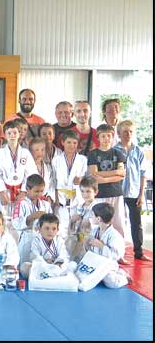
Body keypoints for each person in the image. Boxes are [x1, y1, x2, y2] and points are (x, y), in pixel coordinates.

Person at [87, 124, 127, 257]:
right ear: (98, 137)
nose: (106, 139)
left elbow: (122, 174)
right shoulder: (93, 154)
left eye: (109, 136)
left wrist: (103, 178)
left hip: (116, 193)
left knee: (118, 223)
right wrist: (115, 173)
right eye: (103, 136)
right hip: (100, 194)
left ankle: (119, 254)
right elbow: (93, 175)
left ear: (113, 137)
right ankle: (96, 251)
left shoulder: (118, 153)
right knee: (97, 222)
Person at [0, 120, 37, 237]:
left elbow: (30, 174)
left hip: (20, 193)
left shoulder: (25, 153)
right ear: (5, 135)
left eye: (15, 133)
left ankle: (19, 245)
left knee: (19, 220)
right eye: (9, 133)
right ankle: (3, 245)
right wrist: (1, 192)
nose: (12, 135)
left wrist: (24, 192)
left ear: (19, 134)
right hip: (5, 192)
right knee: (3, 221)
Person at [115, 120, 151, 261]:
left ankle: (139, 252)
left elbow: (143, 173)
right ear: (119, 133)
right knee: (118, 223)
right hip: (117, 192)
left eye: (130, 131)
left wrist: (141, 194)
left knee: (136, 223)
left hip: (134, 192)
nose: (128, 134)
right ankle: (118, 253)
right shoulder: (114, 150)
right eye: (125, 132)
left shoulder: (138, 151)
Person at [53, 129, 88, 240]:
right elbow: (53, 180)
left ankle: (77, 251)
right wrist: (55, 197)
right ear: (63, 142)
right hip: (61, 199)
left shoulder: (83, 160)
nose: (72, 145)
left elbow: (87, 178)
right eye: (68, 142)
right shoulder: (56, 160)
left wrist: (81, 179)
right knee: (61, 231)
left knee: (77, 231)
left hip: (77, 199)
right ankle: (62, 251)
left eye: (74, 143)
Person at [84, 202, 130, 288]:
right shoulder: (94, 231)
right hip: (95, 262)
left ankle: (124, 276)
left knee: (111, 282)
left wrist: (102, 246)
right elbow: (89, 249)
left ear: (98, 219)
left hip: (108, 265)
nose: (91, 217)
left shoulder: (114, 235)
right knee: (79, 272)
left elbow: (116, 255)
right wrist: (86, 243)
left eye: (92, 215)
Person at [12, 174, 53, 265]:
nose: (39, 194)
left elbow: (52, 222)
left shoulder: (46, 205)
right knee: (25, 266)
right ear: (28, 189)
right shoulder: (21, 204)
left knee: (41, 266)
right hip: (27, 238)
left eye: (41, 191)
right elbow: (15, 223)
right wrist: (31, 217)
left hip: (43, 239)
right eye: (36, 191)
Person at [19, 213, 69, 279]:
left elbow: (63, 255)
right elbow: (34, 256)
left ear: (58, 230)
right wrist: (45, 262)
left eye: (54, 229)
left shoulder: (59, 240)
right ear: (39, 229)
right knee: (24, 267)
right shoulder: (37, 240)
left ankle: (49, 275)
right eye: (47, 228)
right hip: (42, 267)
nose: (50, 231)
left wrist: (58, 262)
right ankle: (52, 275)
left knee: (73, 265)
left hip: (56, 266)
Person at [67, 175, 100, 261]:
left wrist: (89, 221)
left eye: (88, 191)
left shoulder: (97, 207)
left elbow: (99, 224)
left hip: (90, 240)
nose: (85, 194)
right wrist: (73, 220)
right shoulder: (80, 206)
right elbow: (74, 224)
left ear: (95, 192)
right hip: (79, 239)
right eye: (82, 191)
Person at [29, 137, 55, 204]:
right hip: (30, 200)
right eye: (37, 150)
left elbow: (51, 184)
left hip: (44, 200)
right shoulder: (27, 167)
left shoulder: (48, 167)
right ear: (30, 151)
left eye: (42, 149)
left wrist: (49, 196)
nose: (40, 153)